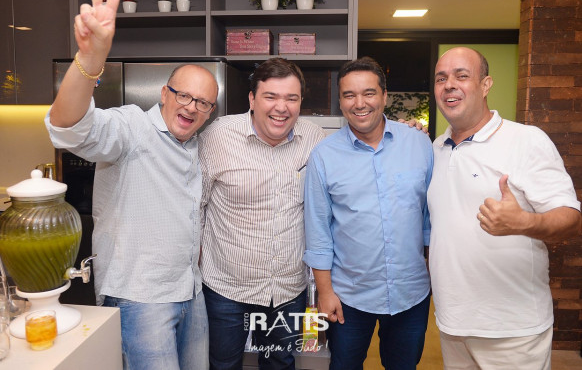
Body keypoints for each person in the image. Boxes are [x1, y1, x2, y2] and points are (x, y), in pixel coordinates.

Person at [44, 0, 216, 370]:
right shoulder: (132, 127)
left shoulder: (199, 144)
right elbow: (68, 128)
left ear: (210, 111)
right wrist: (91, 58)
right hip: (140, 298)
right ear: (164, 93)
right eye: (183, 95)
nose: (191, 107)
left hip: (191, 292)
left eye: (203, 103)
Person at [428, 47, 581, 369]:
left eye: (462, 76)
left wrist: (524, 222)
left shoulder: (526, 140)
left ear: (486, 85)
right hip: (453, 323)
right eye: (441, 78)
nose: (449, 84)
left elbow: (571, 218)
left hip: (512, 329)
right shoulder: (437, 148)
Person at [303, 56, 434, 370]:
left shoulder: (419, 144)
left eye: (369, 93)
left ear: (384, 96)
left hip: (410, 294)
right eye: (349, 95)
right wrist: (325, 293)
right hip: (349, 296)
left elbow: (430, 220)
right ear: (340, 102)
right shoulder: (323, 155)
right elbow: (318, 230)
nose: (359, 103)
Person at [198, 57, 327, 370]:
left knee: (280, 363)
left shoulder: (315, 138)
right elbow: (195, 207)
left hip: (287, 289)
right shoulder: (218, 136)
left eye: (291, 98)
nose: (281, 107)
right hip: (227, 288)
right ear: (252, 99)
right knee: (223, 364)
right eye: (271, 96)